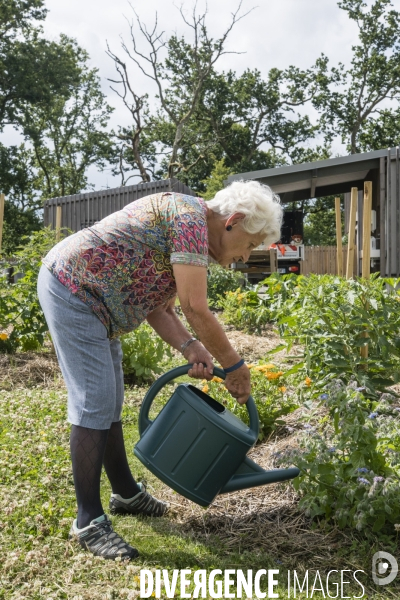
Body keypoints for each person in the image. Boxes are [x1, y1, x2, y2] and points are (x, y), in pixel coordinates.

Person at [37, 179, 283, 561]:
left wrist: (190, 346)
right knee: (95, 402)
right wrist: (235, 366)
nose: (245, 256)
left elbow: (160, 307)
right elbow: (195, 307)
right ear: (233, 220)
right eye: (250, 245)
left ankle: (126, 494)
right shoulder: (189, 221)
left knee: (110, 400)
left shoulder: (191, 232)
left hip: (100, 305)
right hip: (74, 289)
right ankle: (88, 520)